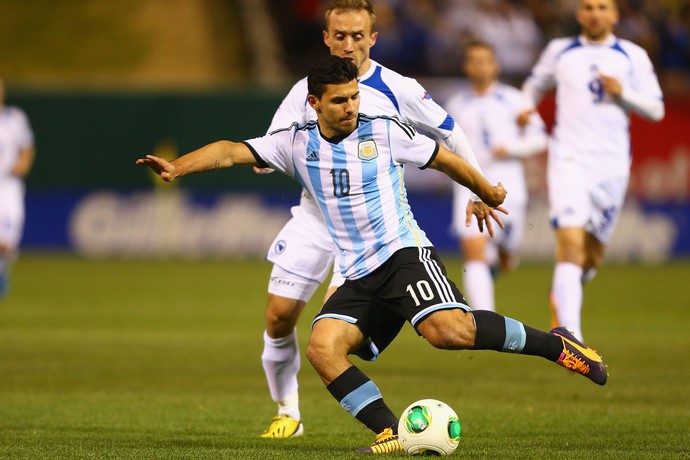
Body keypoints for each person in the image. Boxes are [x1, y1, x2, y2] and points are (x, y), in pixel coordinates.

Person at [137, 55, 608, 454]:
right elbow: (229, 151)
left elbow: (443, 156)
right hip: (359, 272)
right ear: (314, 102)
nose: (350, 107)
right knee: (323, 347)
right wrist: (179, 167)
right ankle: (389, 430)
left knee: (448, 333)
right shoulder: (295, 141)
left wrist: (485, 189)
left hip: (403, 253)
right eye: (339, 100)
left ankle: (559, 345)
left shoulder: (383, 130)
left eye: (354, 96)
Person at [255, 0, 493, 439]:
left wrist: (478, 188)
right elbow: (273, 144)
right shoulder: (306, 90)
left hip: (368, 229)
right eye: (339, 36)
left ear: (372, 37)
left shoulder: (398, 88)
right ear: (326, 38)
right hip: (314, 216)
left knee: (334, 336)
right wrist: (265, 161)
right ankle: (288, 412)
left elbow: (449, 133)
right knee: (277, 318)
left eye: (357, 36)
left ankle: (384, 423)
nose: (348, 45)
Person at [518, 0, 664, 341]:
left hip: (611, 166)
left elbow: (656, 109)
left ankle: (569, 285)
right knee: (570, 245)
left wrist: (623, 92)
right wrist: (526, 108)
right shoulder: (560, 50)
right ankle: (571, 335)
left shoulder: (632, 55)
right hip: (568, 159)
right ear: (579, 14)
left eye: (602, 7)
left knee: (591, 256)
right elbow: (532, 85)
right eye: (588, 7)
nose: (594, 13)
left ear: (614, 15)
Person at [444, 41, 547, 312]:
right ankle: (485, 319)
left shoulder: (515, 100)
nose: (479, 66)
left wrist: (511, 148)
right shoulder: (455, 104)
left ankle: (504, 255)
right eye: (474, 60)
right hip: (467, 186)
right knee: (474, 250)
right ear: (466, 66)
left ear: (496, 66)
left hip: (508, 185)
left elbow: (540, 139)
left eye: (485, 60)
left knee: (505, 257)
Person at [0, 79, 36, 299]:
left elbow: (27, 147)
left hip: (8, 186)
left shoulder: (14, 118)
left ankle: (2, 272)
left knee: (7, 242)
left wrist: (23, 163)